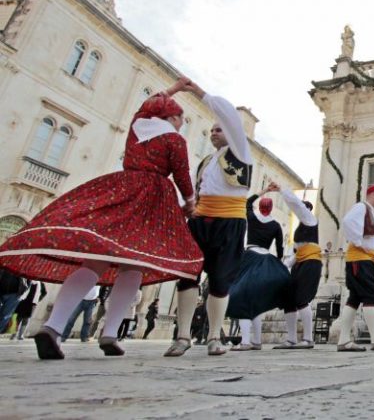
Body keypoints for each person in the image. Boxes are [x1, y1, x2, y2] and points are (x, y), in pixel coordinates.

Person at [0, 79, 202, 360]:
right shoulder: (174, 138)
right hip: (152, 198)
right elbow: (181, 173)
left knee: (95, 260)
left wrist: (174, 90)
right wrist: (190, 202)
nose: (182, 123)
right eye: (180, 117)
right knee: (133, 265)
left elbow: (147, 106)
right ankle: (109, 333)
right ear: (173, 117)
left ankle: (53, 326)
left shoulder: (137, 125)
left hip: (123, 187)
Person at [165, 79, 254, 358]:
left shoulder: (240, 150)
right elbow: (197, 192)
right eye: (211, 130)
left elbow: (228, 112)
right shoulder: (206, 162)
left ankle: (215, 336)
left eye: (218, 129)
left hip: (229, 222)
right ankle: (182, 335)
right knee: (187, 275)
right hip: (201, 221)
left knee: (219, 279)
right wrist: (186, 208)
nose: (213, 133)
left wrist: (199, 93)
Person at [228, 192, 290, 351]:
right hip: (265, 261)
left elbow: (248, 202)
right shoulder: (276, 225)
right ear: (271, 209)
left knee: (243, 299)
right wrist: (279, 262)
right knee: (254, 301)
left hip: (249, 257)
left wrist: (264, 190)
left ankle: (246, 341)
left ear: (260, 207)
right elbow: (280, 248)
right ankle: (256, 341)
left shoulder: (253, 218)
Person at [267, 182, 324, 350]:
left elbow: (296, 205)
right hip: (301, 263)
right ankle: (291, 339)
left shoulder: (311, 219)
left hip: (311, 263)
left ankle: (308, 339)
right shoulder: (301, 228)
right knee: (289, 300)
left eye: (304, 208)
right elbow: (295, 254)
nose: (301, 211)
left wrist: (282, 189)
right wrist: (283, 266)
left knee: (301, 299)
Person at [336, 185, 374, 352]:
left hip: (361, 260)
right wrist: (361, 245)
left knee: (354, 298)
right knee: (369, 295)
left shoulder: (369, 211)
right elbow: (347, 222)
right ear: (373, 194)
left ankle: (344, 340)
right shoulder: (361, 207)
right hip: (360, 259)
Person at [0, 268, 29, 334]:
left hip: (14, 294)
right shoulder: (6, 261)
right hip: (1, 290)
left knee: (5, 316)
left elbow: (28, 281)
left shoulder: (25, 266)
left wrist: (22, 294)